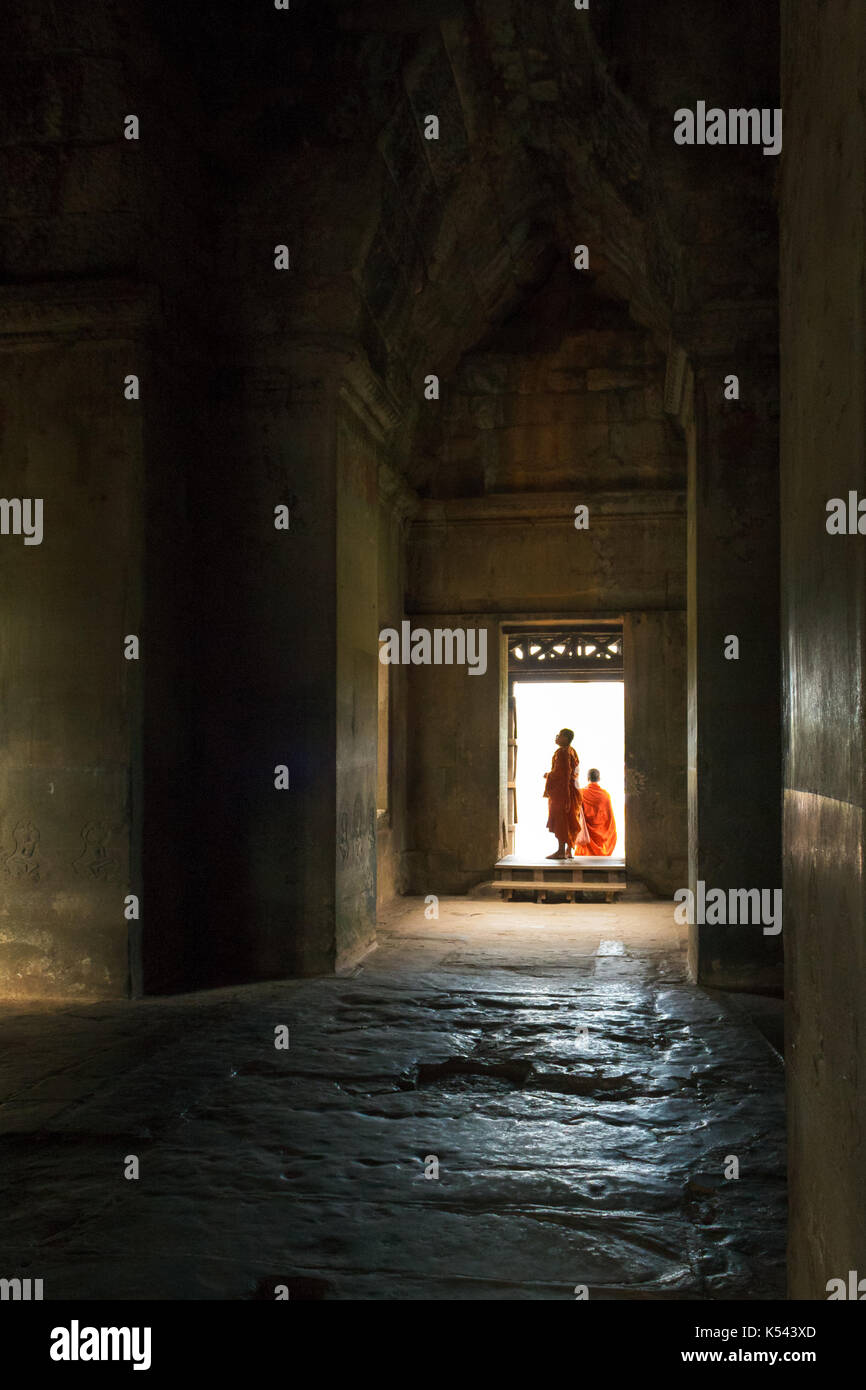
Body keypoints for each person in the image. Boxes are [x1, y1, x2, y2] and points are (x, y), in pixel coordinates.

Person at [543, 728, 582, 859]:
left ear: (565, 738)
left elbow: (562, 774)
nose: (556, 737)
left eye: (559, 735)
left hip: (563, 792)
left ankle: (560, 851)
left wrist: (548, 775)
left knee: (562, 820)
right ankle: (568, 851)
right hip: (572, 790)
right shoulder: (572, 751)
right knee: (570, 819)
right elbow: (573, 771)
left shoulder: (562, 753)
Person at [580, 767, 618, 856]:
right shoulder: (605, 795)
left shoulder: (581, 793)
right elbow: (609, 818)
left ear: (587, 778)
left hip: (587, 834)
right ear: (599, 779)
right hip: (601, 834)